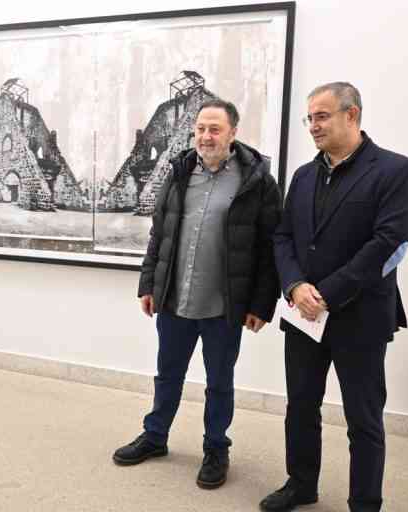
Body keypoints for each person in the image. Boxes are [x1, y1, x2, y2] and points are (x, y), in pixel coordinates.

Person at [261, 82, 408, 512]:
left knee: (363, 420)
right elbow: (284, 237)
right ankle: (301, 484)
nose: (313, 126)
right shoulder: (304, 174)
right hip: (303, 314)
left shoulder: (396, 171)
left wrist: (326, 294)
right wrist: (295, 286)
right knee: (301, 407)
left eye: (322, 116)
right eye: (309, 117)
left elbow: (388, 244)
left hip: (360, 316)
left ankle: (365, 502)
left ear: (352, 115)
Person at [112, 99, 281, 489]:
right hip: (174, 298)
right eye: (201, 128)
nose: (206, 136)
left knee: (219, 382)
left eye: (215, 129)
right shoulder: (179, 172)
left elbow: (270, 247)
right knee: (167, 375)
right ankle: (155, 437)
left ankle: (216, 449)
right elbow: (160, 233)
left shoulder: (257, 181)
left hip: (224, 306)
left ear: (233, 133)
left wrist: (260, 304)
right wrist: (149, 284)